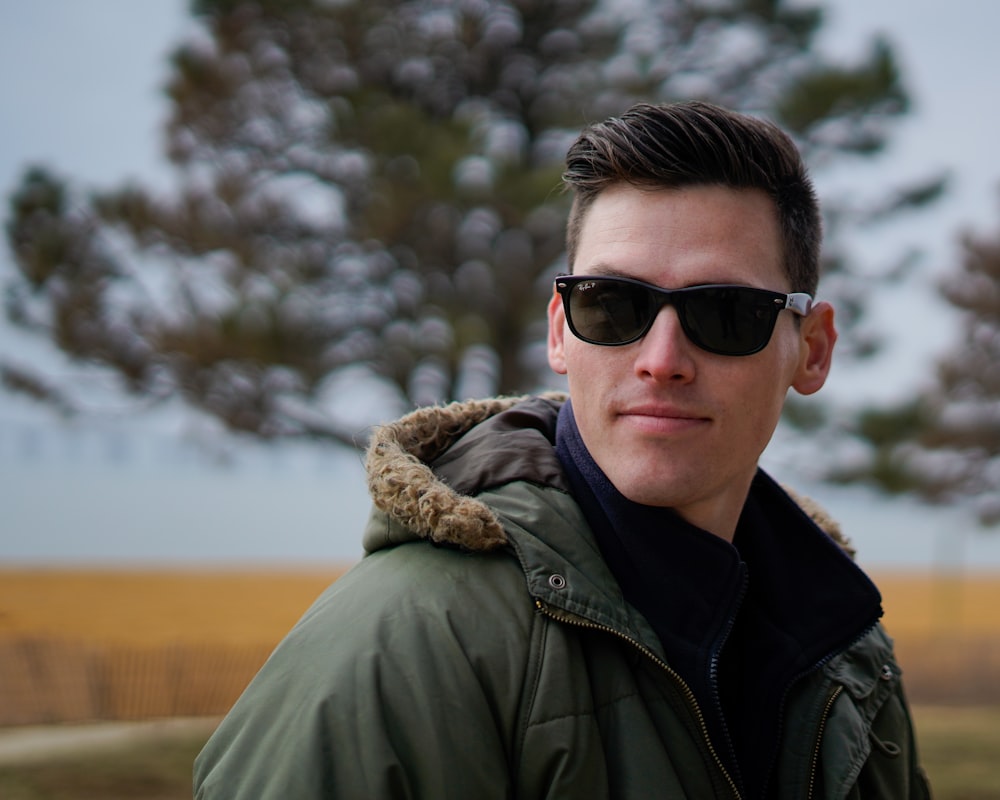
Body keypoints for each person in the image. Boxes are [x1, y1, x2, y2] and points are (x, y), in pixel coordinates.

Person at [194, 101, 931, 799]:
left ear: (812, 349)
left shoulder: (849, 657)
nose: (661, 359)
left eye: (726, 312)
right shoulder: (405, 645)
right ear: (558, 331)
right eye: (612, 305)